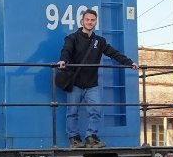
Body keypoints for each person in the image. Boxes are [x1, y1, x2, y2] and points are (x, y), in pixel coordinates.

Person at [57, 9, 138, 148]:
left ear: (95, 22)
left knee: (96, 110)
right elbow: (66, 51)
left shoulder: (99, 41)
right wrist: (63, 61)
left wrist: (129, 63)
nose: (90, 22)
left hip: (91, 84)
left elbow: (113, 53)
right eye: (87, 19)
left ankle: (91, 137)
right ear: (82, 21)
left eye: (92, 20)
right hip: (75, 83)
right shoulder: (72, 38)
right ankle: (74, 138)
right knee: (72, 112)